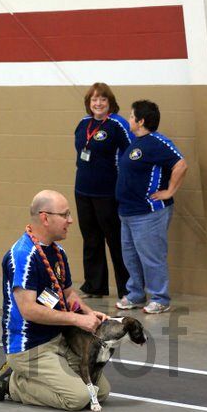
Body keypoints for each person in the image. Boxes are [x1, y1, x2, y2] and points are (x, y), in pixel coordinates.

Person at [0, 190, 110, 411]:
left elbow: (68, 294)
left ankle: (32, 378)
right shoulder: (22, 255)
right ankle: (12, 383)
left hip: (58, 340)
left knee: (101, 392)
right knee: (79, 398)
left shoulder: (58, 252)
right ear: (45, 217)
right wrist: (76, 320)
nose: (70, 220)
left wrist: (88, 313)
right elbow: (29, 310)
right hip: (29, 348)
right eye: (65, 215)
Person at [115, 100, 188, 313]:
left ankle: (160, 298)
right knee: (131, 256)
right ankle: (136, 294)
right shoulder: (136, 142)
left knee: (151, 256)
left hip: (149, 213)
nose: (129, 119)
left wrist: (170, 191)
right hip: (127, 212)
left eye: (131, 116)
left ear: (141, 121)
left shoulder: (157, 142)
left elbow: (181, 164)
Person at [74, 82, 135, 304]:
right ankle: (95, 285)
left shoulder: (118, 125)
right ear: (89, 103)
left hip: (108, 193)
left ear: (110, 103)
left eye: (102, 100)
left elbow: (131, 154)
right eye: (94, 100)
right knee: (91, 239)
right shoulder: (83, 124)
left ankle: (128, 289)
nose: (98, 104)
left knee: (116, 240)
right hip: (83, 191)